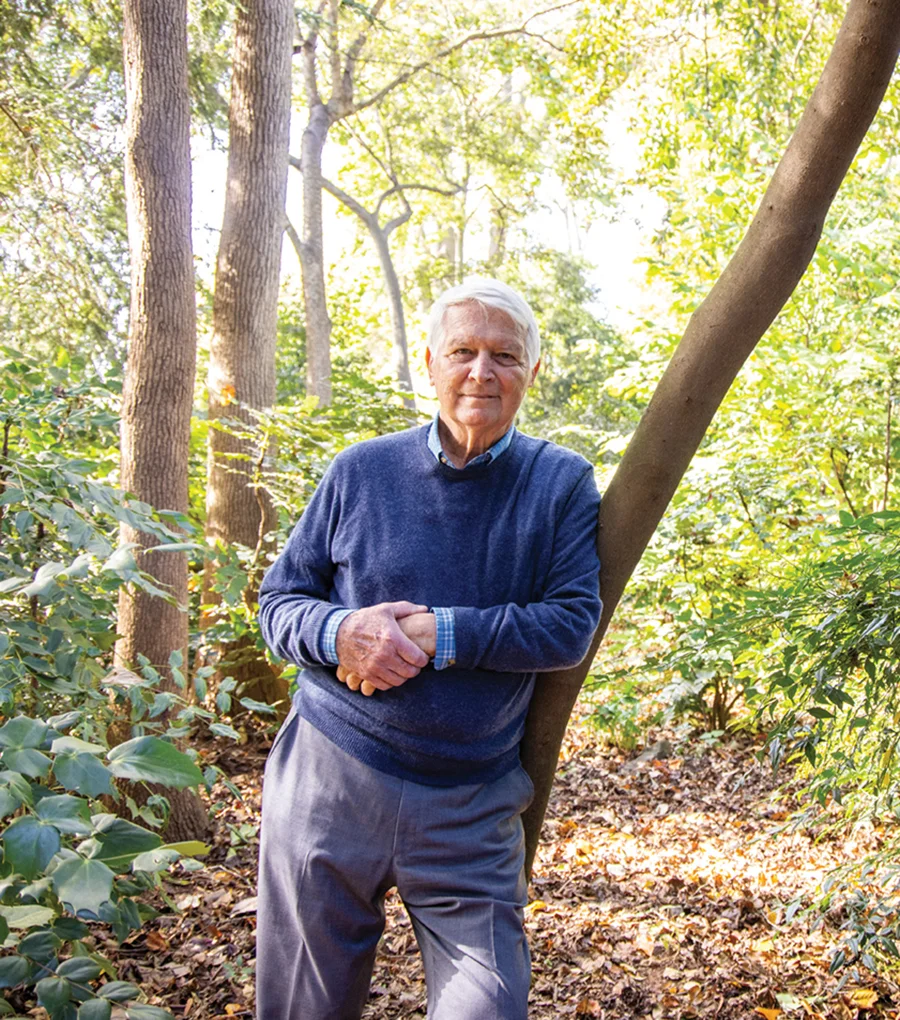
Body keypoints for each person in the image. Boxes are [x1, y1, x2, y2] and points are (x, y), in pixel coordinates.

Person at [256, 277, 602, 1020]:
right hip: (329, 778)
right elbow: (279, 602)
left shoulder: (562, 483)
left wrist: (442, 633)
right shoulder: (360, 470)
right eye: (463, 352)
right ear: (430, 363)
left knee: (488, 1004)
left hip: (469, 803)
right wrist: (339, 633)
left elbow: (571, 623)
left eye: (505, 356)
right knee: (302, 1009)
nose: (482, 372)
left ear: (532, 373)